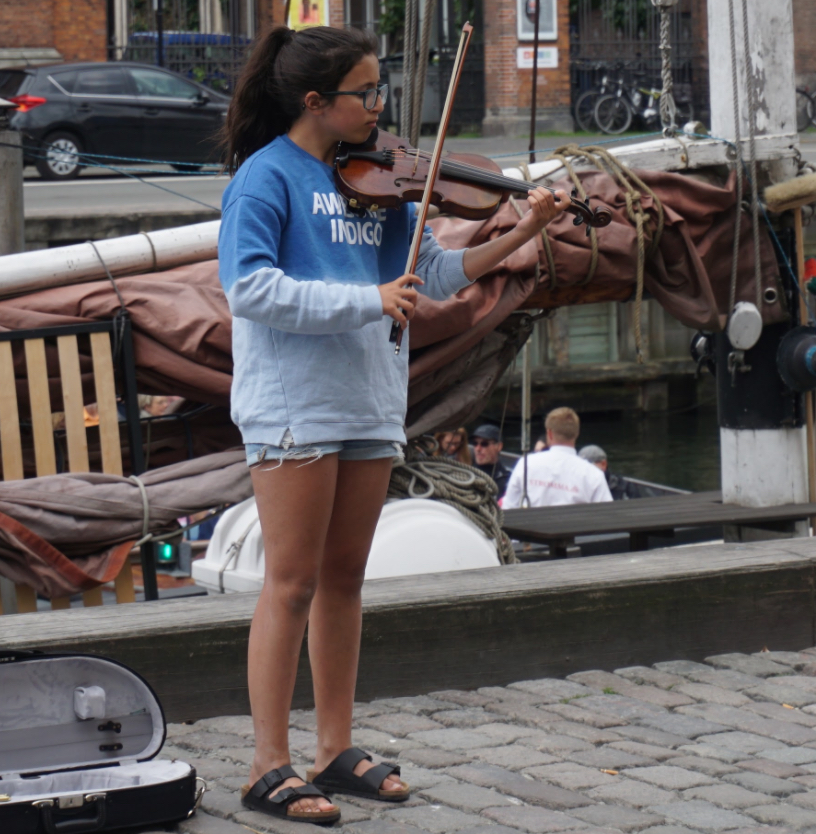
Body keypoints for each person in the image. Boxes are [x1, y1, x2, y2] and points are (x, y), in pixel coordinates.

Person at [216, 25, 569, 825]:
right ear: (316, 102)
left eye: (381, 90)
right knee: (291, 582)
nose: (380, 106)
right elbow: (250, 290)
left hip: (369, 400)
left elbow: (437, 274)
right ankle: (268, 763)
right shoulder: (266, 180)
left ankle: (334, 749)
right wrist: (366, 302)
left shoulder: (375, 180)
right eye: (366, 93)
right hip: (294, 403)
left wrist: (523, 229)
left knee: (344, 580)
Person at [503, 407, 612, 508]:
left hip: (528, 527)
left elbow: (508, 507)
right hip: (574, 528)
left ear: (549, 434)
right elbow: (607, 517)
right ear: (576, 434)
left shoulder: (525, 464)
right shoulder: (594, 475)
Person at [469, 424, 511, 497]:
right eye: (475, 443)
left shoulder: (508, 480)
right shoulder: (465, 475)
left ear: (499, 446)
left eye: (484, 444)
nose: (478, 449)